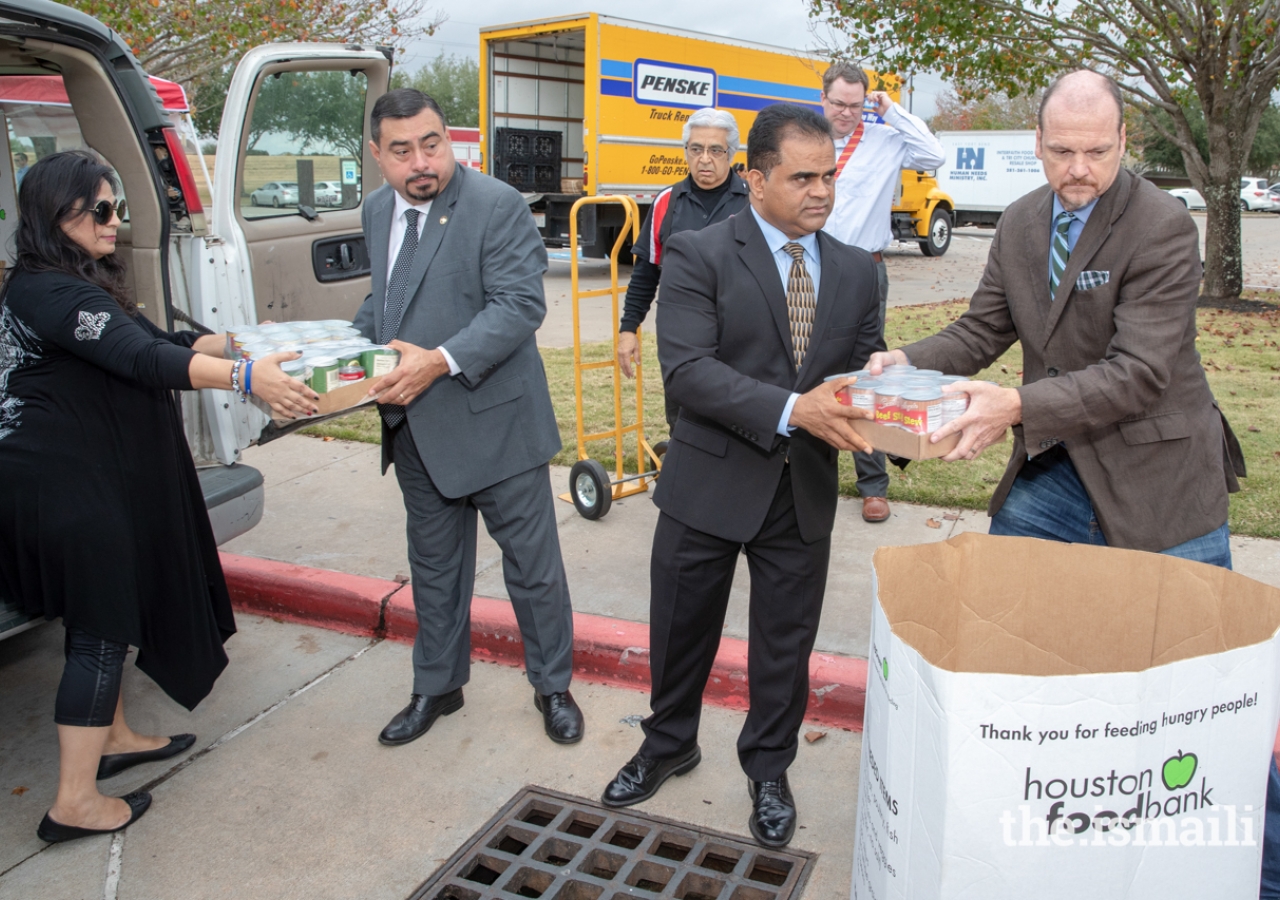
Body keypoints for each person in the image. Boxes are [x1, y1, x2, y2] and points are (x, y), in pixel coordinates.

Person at [866, 68, 1272, 888]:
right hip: (1057, 471)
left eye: (1095, 151)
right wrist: (907, 360)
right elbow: (983, 328)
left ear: (1127, 143)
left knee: (1200, 691)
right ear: (1037, 145)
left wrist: (1012, 405)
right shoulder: (1019, 224)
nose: (1078, 169)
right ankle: (1022, 838)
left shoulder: (1161, 226)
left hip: (1160, 479)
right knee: (1011, 654)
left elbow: (1138, 374)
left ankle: (1258, 869)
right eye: (1060, 151)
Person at [0, 150, 317, 843]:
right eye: (103, 210)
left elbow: (151, 340)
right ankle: (74, 803)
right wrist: (241, 377)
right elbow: (143, 361)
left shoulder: (67, 280)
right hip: (56, 484)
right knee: (102, 625)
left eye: (121, 208)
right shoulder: (48, 292)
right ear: (60, 216)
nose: (117, 222)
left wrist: (246, 344)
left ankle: (109, 738)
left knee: (99, 618)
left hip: (80, 476)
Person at [600, 104, 883, 848]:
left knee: (784, 648)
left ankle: (767, 769)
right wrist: (795, 409)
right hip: (709, 482)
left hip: (803, 493)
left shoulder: (857, 271)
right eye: (802, 177)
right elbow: (689, 372)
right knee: (680, 630)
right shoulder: (698, 254)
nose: (821, 191)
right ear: (755, 180)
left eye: (829, 174)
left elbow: (862, 375)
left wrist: (895, 410)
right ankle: (667, 744)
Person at [353, 89, 583, 748]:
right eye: (402, 151)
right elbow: (386, 301)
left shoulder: (496, 205)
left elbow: (517, 307)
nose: (422, 162)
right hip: (417, 431)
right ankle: (438, 687)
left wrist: (438, 362)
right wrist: (342, 352)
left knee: (533, 570)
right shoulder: (376, 211)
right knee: (433, 569)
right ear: (377, 155)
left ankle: (553, 685)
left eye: (432, 144)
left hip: (498, 426)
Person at [819, 61, 944, 524]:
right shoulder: (807, 139)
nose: (847, 113)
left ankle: (873, 485)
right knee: (800, 363)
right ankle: (801, 471)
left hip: (863, 269)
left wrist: (891, 111)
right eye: (839, 103)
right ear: (823, 99)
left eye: (856, 104)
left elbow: (932, 155)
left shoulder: (885, 138)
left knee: (865, 372)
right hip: (806, 266)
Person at [616, 108, 749, 431]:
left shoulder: (753, 203)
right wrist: (628, 329)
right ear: (686, 152)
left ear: (730, 154)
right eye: (696, 149)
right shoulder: (666, 202)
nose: (705, 159)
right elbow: (646, 273)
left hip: (741, 335)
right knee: (684, 425)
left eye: (715, 150)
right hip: (681, 337)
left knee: (739, 420)